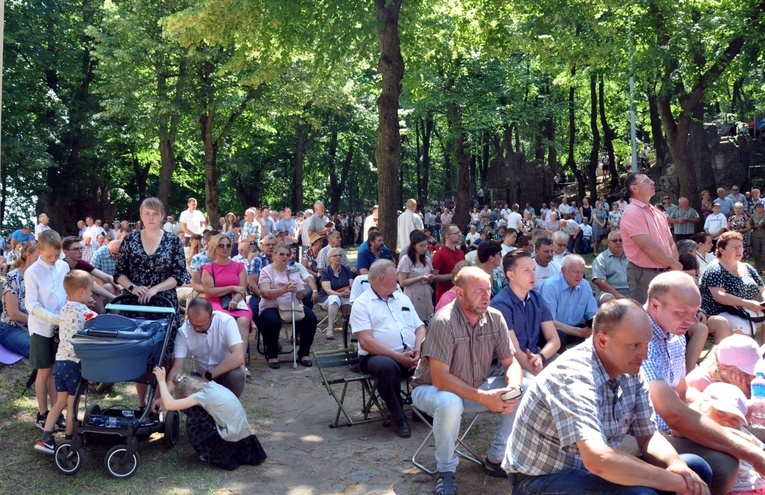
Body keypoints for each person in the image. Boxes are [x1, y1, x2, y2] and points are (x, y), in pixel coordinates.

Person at [503, 299, 713, 495]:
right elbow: (599, 459)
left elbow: (648, 435)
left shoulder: (630, 366)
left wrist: (674, 463)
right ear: (602, 340)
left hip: (589, 470)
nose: (645, 355)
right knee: (645, 493)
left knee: (694, 467)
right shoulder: (573, 376)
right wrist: (673, 482)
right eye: (635, 345)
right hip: (539, 479)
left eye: (647, 344)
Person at [642, 271, 765, 495]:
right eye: (681, 313)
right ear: (656, 305)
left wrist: (724, 407)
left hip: (668, 427)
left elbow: (681, 391)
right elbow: (673, 413)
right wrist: (752, 454)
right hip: (643, 434)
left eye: (695, 312)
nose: (691, 321)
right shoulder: (639, 337)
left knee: (741, 435)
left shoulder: (675, 335)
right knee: (726, 464)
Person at [411, 267, 523, 493]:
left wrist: (513, 385)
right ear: (460, 293)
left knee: (526, 386)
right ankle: (445, 470)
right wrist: (484, 397)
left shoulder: (495, 317)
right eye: (478, 291)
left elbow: (511, 363)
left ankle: (496, 458)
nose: (486, 295)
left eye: (488, 289)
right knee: (449, 401)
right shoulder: (443, 321)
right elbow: (440, 378)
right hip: (430, 389)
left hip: (473, 386)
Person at [115, 197, 190, 409]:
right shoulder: (129, 241)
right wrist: (132, 287)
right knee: (140, 354)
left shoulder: (173, 241)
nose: (151, 217)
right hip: (135, 305)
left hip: (164, 304)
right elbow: (119, 273)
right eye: (147, 213)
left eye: (155, 214)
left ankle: (157, 401)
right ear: (140, 216)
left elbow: (179, 274)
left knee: (163, 355)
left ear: (162, 216)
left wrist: (157, 288)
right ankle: (141, 404)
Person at [351, 260, 426, 438]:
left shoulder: (402, 298)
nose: (399, 280)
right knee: (387, 367)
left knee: (435, 358)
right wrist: (398, 357)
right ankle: (398, 417)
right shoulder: (362, 304)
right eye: (395, 276)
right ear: (383, 278)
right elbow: (366, 341)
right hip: (375, 356)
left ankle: (425, 409)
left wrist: (418, 350)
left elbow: (420, 328)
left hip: (411, 352)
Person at [153, 366, 267, 470]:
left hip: (232, 440)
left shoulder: (199, 397)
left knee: (195, 411)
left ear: (186, 395)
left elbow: (170, 405)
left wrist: (162, 381)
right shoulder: (211, 385)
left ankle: (210, 452)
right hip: (245, 435)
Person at [34, 270, 96, 454]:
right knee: (72, 405)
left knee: (59, 403)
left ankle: (45, 438)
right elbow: (97, 323)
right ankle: (70, 439)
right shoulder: (86, 313)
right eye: (90, 291)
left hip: (60, 362)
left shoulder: (63, 308)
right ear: (81, 292)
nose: (92, 294)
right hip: (75, 364)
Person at [158, 298, 246, 401]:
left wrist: (209, 375)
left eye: (201, 325)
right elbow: (177, 369)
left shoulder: (226, 321)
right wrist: (164, 398)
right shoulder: (183, 332)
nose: (197, 329)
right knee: (181, 387)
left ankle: (230, 405)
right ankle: (200, 414)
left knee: (237, 374)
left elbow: (238, 357)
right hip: (200, 377)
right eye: (193, 324)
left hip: (225, 373)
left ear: (212, 316)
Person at [490, 250, 560, 377]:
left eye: (533, 269)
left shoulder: (536, 298)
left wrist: (540, 357)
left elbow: (554, 339)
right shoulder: (499, 304)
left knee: (568, 369)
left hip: (535, 356)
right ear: (511, 275)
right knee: (534, 384)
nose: (533, 275)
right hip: (507, 364)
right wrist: (537, 374)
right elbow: (514, 350)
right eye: (526, 271)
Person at [25, 230, 69, 431]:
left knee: (55, 371)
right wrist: (52, 318)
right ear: (39, 251)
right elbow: (31, 304)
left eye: (57, 255)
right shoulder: (32, 272)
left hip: (61, 327)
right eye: (49, 255)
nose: (54, 259)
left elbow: (66, 293)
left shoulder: (63, 266)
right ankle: (42, 413)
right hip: (42, 327)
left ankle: (55, 413)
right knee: (44, 371)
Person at [690, 383, 765, 495]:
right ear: (704, 407)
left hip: (755, 484)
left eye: (734, 419)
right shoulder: (693, 428)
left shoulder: (740, 432)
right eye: (721, 412)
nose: (726, 421)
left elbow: (759, 451)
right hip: (734, 488)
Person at [620, 173, 681, 304]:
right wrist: (673, 263)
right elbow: (647, 246)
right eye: (646, 181)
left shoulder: (657, 212)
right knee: (644, 317)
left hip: (667, 270)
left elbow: (670, 242)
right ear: (634, 188)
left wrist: (673, 263)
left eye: (651, 179)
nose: (652, 182)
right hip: (645, 274)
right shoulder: (632, 213)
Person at [258, 243, 317, 369]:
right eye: (281, 254)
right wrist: (284, 290)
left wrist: (299, 291)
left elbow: (302, 293)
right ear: (274, 255)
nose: (285, 257)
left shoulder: (293, 271)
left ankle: (304, 353)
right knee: (272, 321)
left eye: (287, 254)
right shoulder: (266, 271)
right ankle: (272, 355)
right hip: (271, 305)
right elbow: (265, 293)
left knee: (311, 318)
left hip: (292, 305)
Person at [699, 231, 765, 338]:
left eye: (740, 246)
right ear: (722, 250)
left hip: (746, 310)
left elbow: (762, 289)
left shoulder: (747, 267)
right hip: (719, 312)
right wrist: (747, 303)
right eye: (733, 247)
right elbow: (720, 296)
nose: (739, 250)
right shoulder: (715, 268)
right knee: (747, 327)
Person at [200, 234, 252, 349]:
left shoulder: (239, 266)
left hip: (237, 302)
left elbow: (242, 289)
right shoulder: (208, 268)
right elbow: (209, 291)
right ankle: (221, 358)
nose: (225, 248)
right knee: (221, 318)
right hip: (214, 302)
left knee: (243, 320)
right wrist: (231, 288)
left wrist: (234, 300)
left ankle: (240, 361)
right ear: (215, 248)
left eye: (228, 246)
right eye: (221, 245)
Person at [540, 254, 598, 351]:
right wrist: (580, 332)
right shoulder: (550, 286)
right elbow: (549, 321)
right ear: (563, 270)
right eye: (575, 272)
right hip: (554, 330)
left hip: (577, 327)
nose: (579, 276)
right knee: (559, 336)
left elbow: (593, 314)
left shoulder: (585, 285)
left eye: (582, 272)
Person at [685, 334, 761, 403]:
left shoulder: (757, 378)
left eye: (756, 371)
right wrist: (744, 396)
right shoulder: (701, 382)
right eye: (745, 373)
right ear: (723, 368)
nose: (753, 377)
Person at [0, 241, 38, 357]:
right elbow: (13, 314)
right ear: (28, 254)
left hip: (33, 326)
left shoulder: (40, 276)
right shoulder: (13, 277)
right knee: (42, 351)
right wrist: (42, 322)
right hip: (11, 327)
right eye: (40, 254)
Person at [397, 230, 435, 322]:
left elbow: (430, 276)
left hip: (426, 293)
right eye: (421, 246)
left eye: (425, 246)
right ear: (414, 245)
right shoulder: (406, 259)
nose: (424, 248)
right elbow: (402, 282)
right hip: (412, 294)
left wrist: (430, 278)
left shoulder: (426, 259)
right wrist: (419, 278)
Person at [318, 247, 353, 340]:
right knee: (334, 298)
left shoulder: (346, 270)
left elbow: (351, 285)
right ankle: (329, 329)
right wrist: (341, 294)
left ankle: (348, 324)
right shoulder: (326, 272)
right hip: (327, 297)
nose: (338, 257)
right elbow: (328, 290)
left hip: (344, 294)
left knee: (349, 299)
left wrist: (348, 291)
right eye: (335, 256)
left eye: (340, 255)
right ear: (330, 259)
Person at [591, 230, 629, 303]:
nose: (618, 243)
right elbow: (599, 280)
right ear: (608, 243)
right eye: (615, 241)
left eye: (621, 240)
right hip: (609, 292)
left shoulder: (631, 257)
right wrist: (617, 294)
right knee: (608, 299)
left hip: (631, 291)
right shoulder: (601, 259)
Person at [432, 224, 466, 302]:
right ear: (447, 236)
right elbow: (434, 276)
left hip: (460, 296)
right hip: (444, 296)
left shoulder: (461, 253)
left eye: (459, 232)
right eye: (456, 233)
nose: (459, 235)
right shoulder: (440, 254)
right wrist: (453, 275)